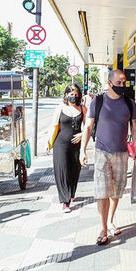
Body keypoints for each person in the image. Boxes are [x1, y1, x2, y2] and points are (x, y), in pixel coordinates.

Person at [80, 69, 136, 245]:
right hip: (101, 153)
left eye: (124, 82)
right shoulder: (98, 101)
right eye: (119, 82)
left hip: (121, 153)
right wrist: (83, 150)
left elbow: (135, 127)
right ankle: (103, 228)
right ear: (110, 83)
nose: (123, 85)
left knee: (116, 192)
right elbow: (88, 127)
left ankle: (111, 220)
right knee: (102, 192)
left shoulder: (130, 103)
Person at [49, 84, 85, 213]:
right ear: (66, 95)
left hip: (76, 145)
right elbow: (54, 126)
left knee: (74, 170)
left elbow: (89, 126)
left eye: (76, 95)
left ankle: (71, 192)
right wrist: (49, 143)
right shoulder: (60, 108)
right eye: (71, 95)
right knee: (62, 170)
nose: (73, 97)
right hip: (60, 144)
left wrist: (82, 134)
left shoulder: (82, 108)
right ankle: (65, 201)